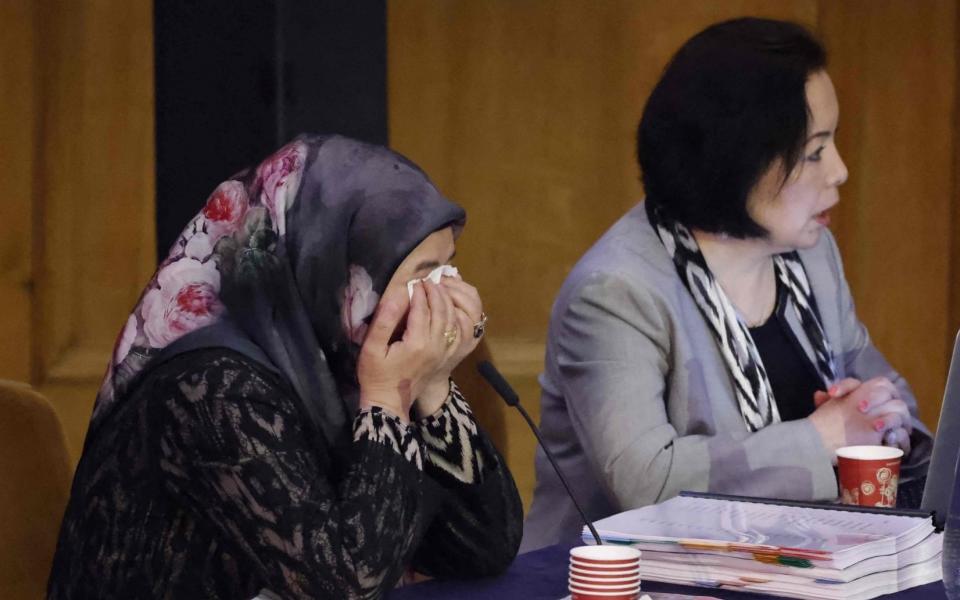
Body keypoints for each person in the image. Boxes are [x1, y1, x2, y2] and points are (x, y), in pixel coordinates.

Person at [48, 135, 523, 598]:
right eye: (424, 275)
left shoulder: (337, 358)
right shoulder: (210, 389)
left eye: (449, 268)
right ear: (337, 271)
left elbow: (483, 549)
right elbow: (345, 585)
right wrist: (388, 400)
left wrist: (433, 388)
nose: (444, 295)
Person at [522, 18, 932, 551]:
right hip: (628, 578)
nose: (840, 171)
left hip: (792, 564)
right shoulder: (614, 292)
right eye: (814, 151)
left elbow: (883, 389)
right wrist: (822, 438)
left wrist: (884, 415)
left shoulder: (809, 254)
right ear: (739, 158)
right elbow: (647, 483)